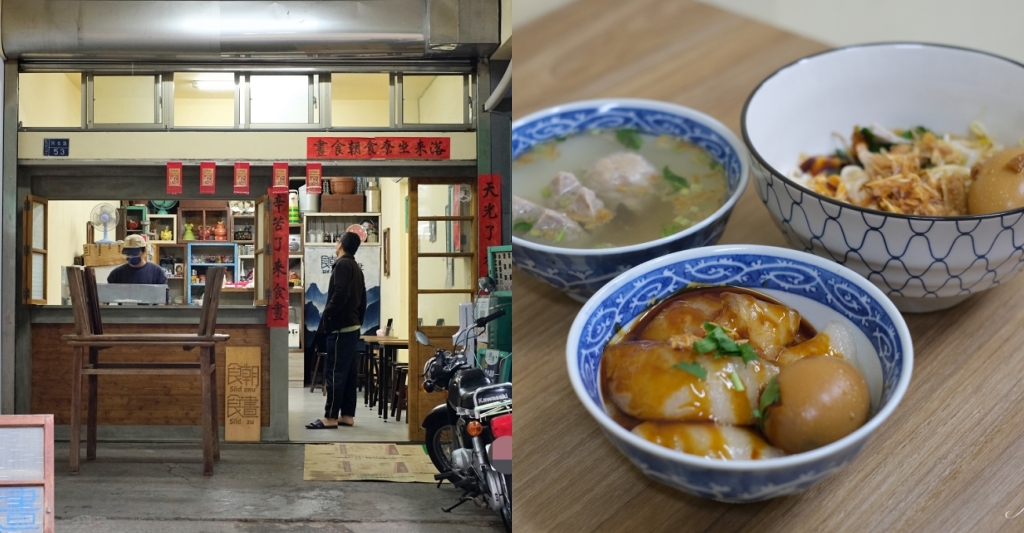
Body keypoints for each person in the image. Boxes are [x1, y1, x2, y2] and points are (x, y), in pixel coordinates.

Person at [307, 232, 366, 429]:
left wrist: (328, 316)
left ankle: (330, 417)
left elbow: (339, 293)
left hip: (341, 328)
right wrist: (358, 321)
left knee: (334, 372)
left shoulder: (342, 265)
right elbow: (363, 300)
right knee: (348, 373)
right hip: (353, 326)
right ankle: (347, 415)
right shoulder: (356, 267)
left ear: (340, 244)